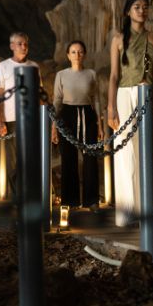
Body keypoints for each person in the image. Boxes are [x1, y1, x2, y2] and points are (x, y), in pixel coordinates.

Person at [107, 0, 153, 227]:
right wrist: (111, 107)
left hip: (152, 94)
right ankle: (129, 213)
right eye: (137, 7)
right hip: (125, 95)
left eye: (145, 7)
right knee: (127, 153)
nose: (142, 11)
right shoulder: (118, 39)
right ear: (128, 11)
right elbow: (114, 75)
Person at [52, 40, 103, 209]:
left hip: (87, 114)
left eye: (80, 51)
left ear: (84, 54)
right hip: (67, 114)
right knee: (68, 158)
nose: (77, 55)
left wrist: (99, 125)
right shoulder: (61, 75)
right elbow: (57, 101)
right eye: (73, 52)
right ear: (68, 55)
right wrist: (54, 126)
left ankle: (92, 200)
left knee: (90, 157)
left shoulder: (91, 74)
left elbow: (96, 100)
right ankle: (70, 201)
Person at [0, 31, 40, 200]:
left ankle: (32, 195)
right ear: (12, 46)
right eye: (19, 43)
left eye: (25, 44)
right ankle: (18, 197)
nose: (23, 47)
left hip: (30, 119)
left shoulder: (34, 66)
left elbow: (40, 94)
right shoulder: (3, 67)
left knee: (31, 158)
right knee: (13, 162)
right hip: (11, 120)